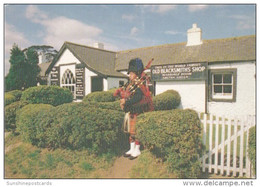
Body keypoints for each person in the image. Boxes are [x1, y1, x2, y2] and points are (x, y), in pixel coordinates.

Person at [114, 58, 153, 160]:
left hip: (137, 110)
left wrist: (126, 102)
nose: (130, 75)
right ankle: (132, 149)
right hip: (131, 110)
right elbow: (128, 95)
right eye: (129, 73)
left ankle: (137, 150)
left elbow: (138, 98)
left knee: (135, 131)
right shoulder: (131, 84)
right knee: (130, 131)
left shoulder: (139, 84)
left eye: (131, 73)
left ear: (136, 73)